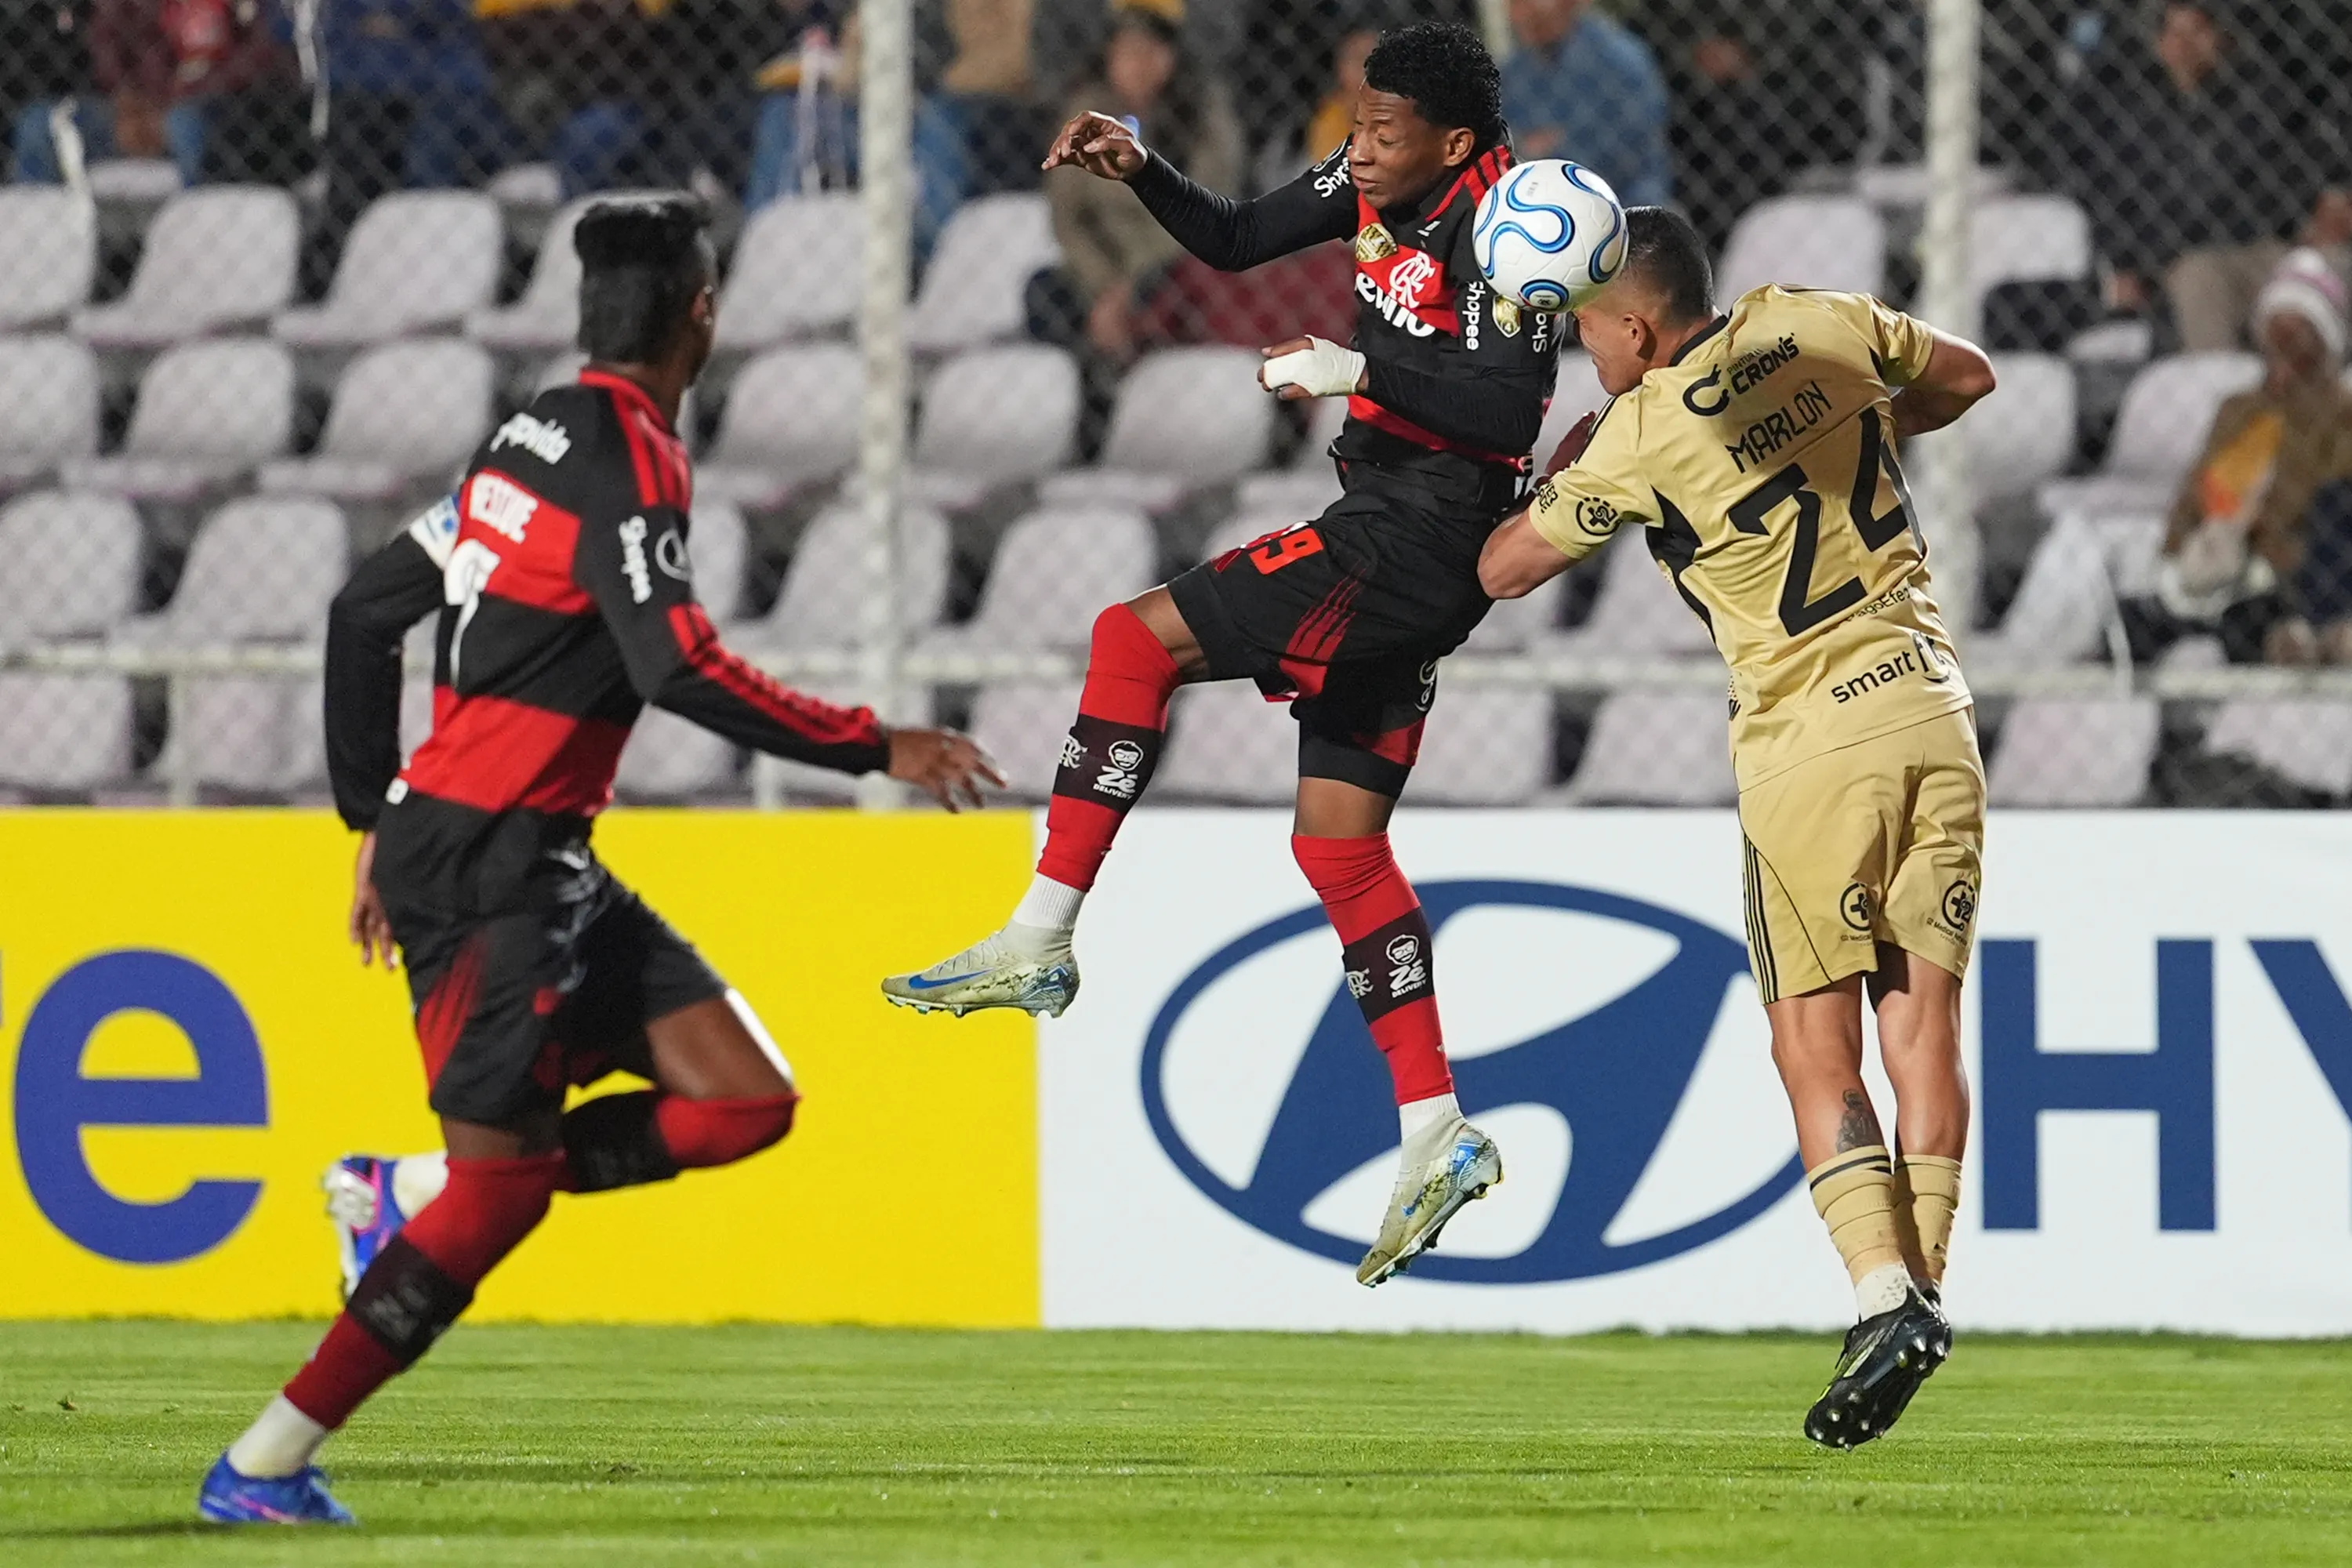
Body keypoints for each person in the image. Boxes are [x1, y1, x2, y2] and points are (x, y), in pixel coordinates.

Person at [195, 196, 1002, 1527]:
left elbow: (365, 612)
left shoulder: (530, 438)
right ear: (704, 312)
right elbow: (673, 664)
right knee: (503, 1198)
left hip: (526, 848)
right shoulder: (626, 457)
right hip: (487, 861)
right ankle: (263, 1464)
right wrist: (878, 748)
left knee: (744, 1103)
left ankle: (400, 1192)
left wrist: (366, 818)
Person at [884, 21, 1560, 1290]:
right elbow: (1241, 235)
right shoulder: (1370, 179)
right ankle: (1434, 1130)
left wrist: (1358, 367)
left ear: (1456, 143)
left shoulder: (1507, 223)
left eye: (1386, 128)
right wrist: (1141, 169)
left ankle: (1039, 933)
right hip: (1395, 532)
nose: (1357, 143)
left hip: (1415, 535)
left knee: (1127, 640)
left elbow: (1507, 410)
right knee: (1337, 844)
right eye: (1356, 117)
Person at [1479, 207, 1997, 1446]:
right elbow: (1968, 378)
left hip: (1807, 745)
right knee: (1922, 1031)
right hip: (1934, 707)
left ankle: (1887, 1296)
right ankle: (1913, 1309)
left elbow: (1504, 573)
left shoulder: (1645, 431)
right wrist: (1849, 429)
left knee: (1811, 1050)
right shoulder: (1814, 321)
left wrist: (1558, 480)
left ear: (1640, 324)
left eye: (1589, 329)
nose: (1584, 350)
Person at [2118, 248, 2352, 666]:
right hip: (2209, 557)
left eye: (2299, 332)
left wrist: (2298, 409)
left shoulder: (2339, 413)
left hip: (2277, 571)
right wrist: (2182, 548)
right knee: (2135, 616)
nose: (2282, 343)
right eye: (2275, 329)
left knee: (2251, 617)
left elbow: (2319, 500)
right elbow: (2194, 493)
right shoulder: (2238, 409)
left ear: (2325, 342)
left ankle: (2301, 640)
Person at [2071, 1, 2347, 351]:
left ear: (2222, 38)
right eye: (2174, 33)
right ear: (2158, 43)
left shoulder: (2262, 98)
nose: (2184, 45)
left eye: (2197, 31)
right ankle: (2219, 394)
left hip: (2268, 248)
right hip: (2184, 260)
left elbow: (2316, 167)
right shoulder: (2133, 115)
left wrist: (2327, 207)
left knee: (2320, 270)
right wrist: (2130, 263)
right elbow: (2112, 200)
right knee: (2199, 279)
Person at [1028, 0, 1245, 373]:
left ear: (1172, 58)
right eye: (1127, 52)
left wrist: (1133, 287)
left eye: (1151, 52)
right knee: (1043, 294)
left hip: (1173, 265)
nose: (1138, 64)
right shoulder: (1085, 115)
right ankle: (1097, 381)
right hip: (1104, 270)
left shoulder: (1203, 114)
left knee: (1178, 293)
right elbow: (1067, 216)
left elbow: (1207, 210)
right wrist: (1106, 286)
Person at [11, 0, 292, 187]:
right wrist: (127, 98)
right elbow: (104, 38)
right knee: (39, 123)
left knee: (184, 124)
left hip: (217, 110)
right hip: (135, 111)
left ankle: (194, 244)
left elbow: (264, 53)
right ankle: (29, 248)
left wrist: (183, 96)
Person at [1498, 0, 1670, 207]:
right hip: (1543, 205)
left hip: (1627, 204)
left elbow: (1622, 154)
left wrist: (1549, 151)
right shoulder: (1516, 71)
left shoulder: (1620, 61)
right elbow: (1505, 145)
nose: (1521, 12)